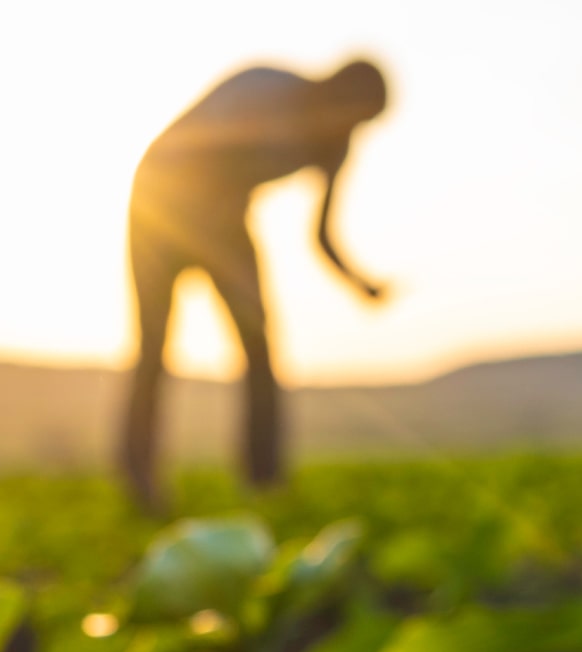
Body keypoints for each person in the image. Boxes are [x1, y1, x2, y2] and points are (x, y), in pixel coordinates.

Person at [120, 60, 388, 510]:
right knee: (155, 346)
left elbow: (321, 234)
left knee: (260, 345)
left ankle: (264, 480)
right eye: (352, 112)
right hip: (159, 201)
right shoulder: (266, 90)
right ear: (335, 89)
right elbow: (202, 163)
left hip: (226, 216)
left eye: (361, 122)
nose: (350, 126)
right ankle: (140, 479)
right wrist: (222, 253)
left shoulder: (334, 145)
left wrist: (359, 283)